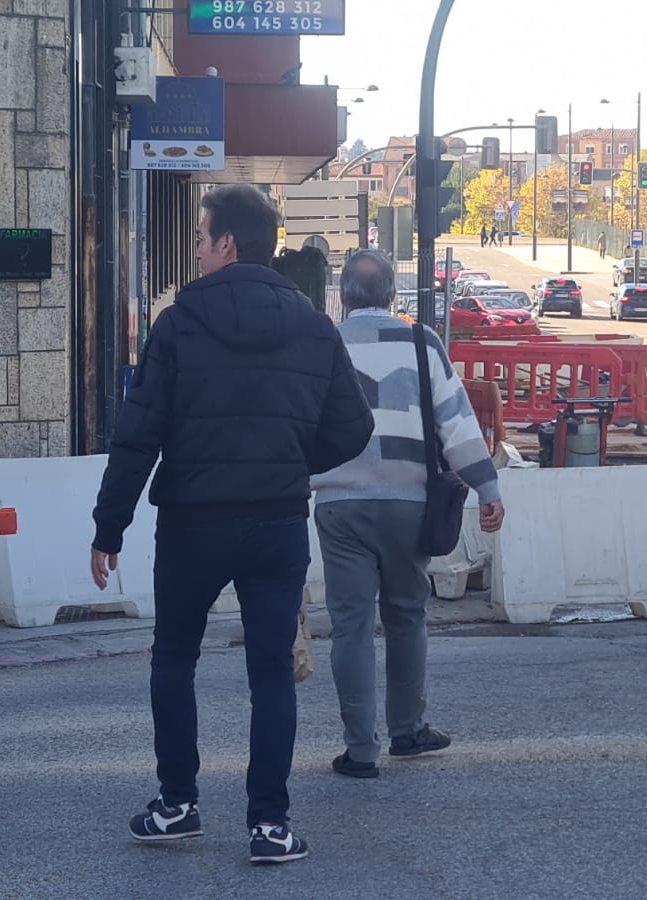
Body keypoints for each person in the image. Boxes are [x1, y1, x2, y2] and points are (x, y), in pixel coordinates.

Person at [90, 183, 374, 866]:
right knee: (271, 672)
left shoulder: (179, 324)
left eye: (198, 237)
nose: (193, 249)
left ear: (226, 244)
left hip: (192, 521)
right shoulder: (312, 324)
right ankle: (270, 825)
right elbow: (353, 426)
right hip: (275, 521)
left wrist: (110, 526)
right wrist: (291, 462)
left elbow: (139, 435)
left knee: (174, 658)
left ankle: (177, 804)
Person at [311, 248, 506, 781]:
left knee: (350, 626)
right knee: (406, 616)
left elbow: (297, 424)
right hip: (408, 503)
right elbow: (458, 426)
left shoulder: (320, 343)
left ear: (343, 295)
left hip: (339, 504)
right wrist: (487, 489)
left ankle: (360, 751)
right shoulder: (424, 343)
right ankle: (408, 730)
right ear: (393, 294)